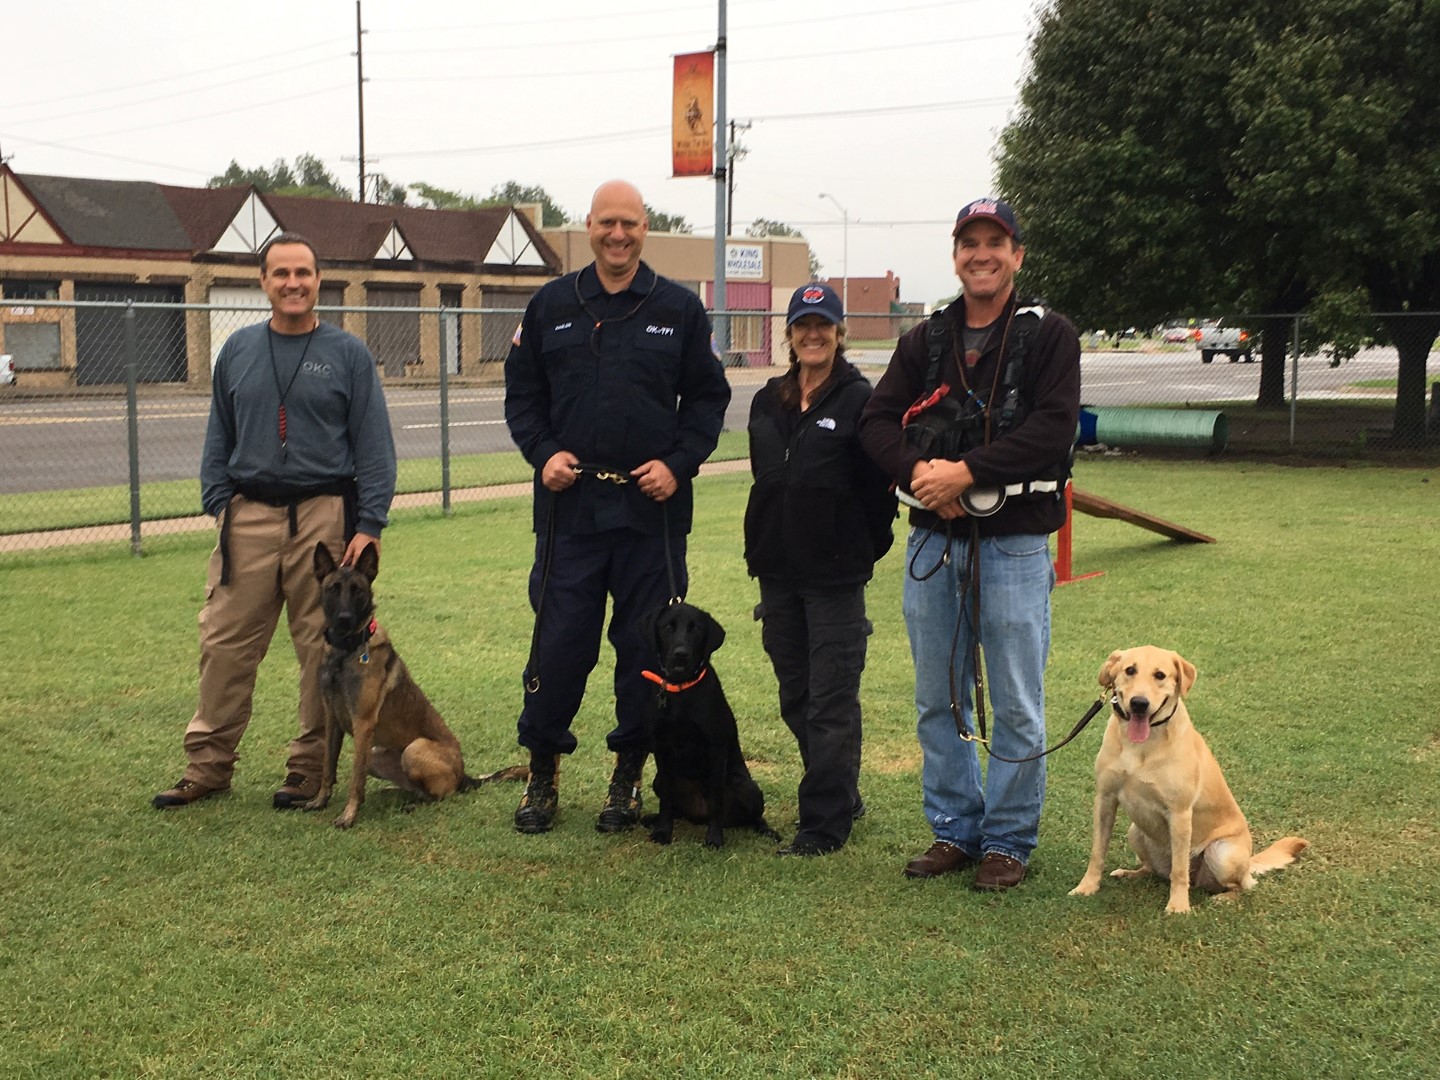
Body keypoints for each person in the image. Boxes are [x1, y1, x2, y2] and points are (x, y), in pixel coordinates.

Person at [857, 198, 1080, 890]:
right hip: (934, 543)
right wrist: (921, 473)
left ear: (1017, 255)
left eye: (995, 242)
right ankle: (954, 829)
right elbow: (876, 420)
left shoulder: (1050, 336)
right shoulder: (924, 340)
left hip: (1012, 542)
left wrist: (969, 470)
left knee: (1015, 700)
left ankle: (1008, 841)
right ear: (955, 255)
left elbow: (1052, 429)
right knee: (939, 696)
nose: (981, 254)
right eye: (969, 243)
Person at [503, 179, 731, 835]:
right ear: (589, 225)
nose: (618, 234)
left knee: (647, 655)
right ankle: (542, 774)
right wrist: (541, 451)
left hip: (648, 515)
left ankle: (629, 777)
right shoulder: (550, 306)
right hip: (570, 512)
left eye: (630, 223)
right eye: (607, 223)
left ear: (644, 228)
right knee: (558, 648)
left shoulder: (678, 309)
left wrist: (679, 464)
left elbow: (708, 402)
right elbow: (524, 399)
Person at [153, 232, 397, 810]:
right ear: (263, 282)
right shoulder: (237, 349)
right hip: (249, 517)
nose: (293, 283)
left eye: (304, 274)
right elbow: (220, 433)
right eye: (281, 273)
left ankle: (309, 769)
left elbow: (375, 447)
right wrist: (220, 502)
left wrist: (370, 523)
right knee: (224, 643)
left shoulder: (348, 354)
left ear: (319, 281)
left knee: (323, 648)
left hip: (323, 517)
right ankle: (207, 766)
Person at [743, 282, 895, 857]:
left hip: (835, 577)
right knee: (795, 695)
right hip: (777, 572)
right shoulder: (767, 400)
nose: (813, 334)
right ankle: (842, 791)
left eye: (823, 325)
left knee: (832, 699)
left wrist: (856, 547)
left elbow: (879, 493)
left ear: (839, 333)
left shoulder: (861, 401)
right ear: (789, 333)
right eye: (803, 324)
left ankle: (824, 824)